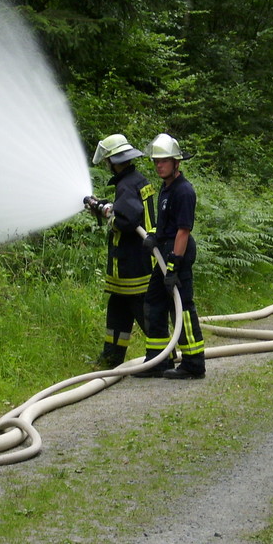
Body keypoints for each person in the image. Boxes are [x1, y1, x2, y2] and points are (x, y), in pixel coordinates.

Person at [135, 133, 205, 379]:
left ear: (177, 162)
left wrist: (174, 264)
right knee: (154, 302)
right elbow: (165, 225)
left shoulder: (184, 191)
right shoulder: (166, 189)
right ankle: (158, 361)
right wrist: (153, 235)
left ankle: (194, 363)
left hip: (178, 253)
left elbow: (183, 230)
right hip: (164, 252)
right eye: (156, 161)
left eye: (164, 161)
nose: (159, 165)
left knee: (182, 307)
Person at [85, 134, 157, 369]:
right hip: (137, 261)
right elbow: (128, 209)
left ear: (112, 161)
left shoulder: (126, 185)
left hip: (132, 263)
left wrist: (109, 216)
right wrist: (105, 206)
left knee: (143, 311)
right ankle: (111, 358)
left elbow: (128, 220)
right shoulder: (137, 180)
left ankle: (161, 356)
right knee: (118, 309)